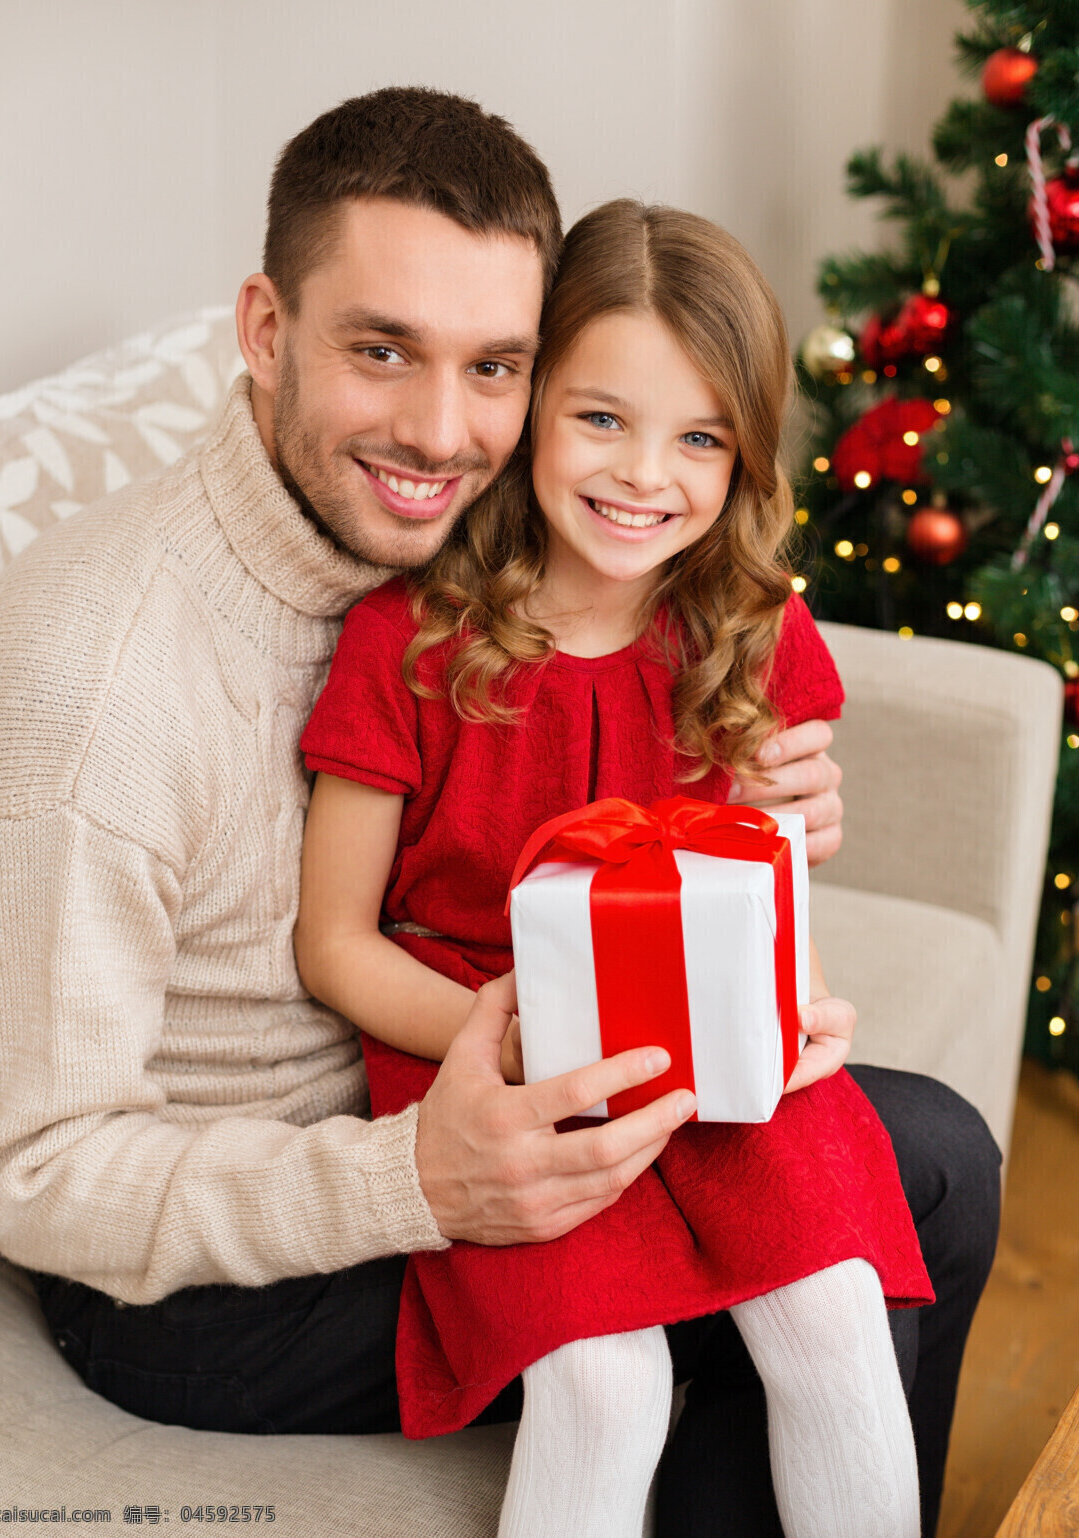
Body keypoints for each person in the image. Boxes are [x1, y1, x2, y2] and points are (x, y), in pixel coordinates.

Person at [0, 88, 999, 1538]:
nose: (441, 428)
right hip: (214, 1271)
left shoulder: (429, 536)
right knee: (859, 1219)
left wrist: (758, 825)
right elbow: (44, 1178)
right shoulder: (82, 687)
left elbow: (606, 721)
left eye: (494, 366)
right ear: (264, 330)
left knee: (927, 1162)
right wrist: (420, 1177)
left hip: (469, 1075)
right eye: (380, 350)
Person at [295, 199, 933, 1538]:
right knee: (601, 1385)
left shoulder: (746, 624)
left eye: (699, 437)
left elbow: (770, 862)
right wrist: (512, 1035)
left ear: (744, 451)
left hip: (710, 1039)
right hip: (500, 1041)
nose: (646, 474)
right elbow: (334, 943)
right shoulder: (405, 643)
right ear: (529, 407)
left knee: (835, 1317)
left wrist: (797, 987)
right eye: (602, 419)